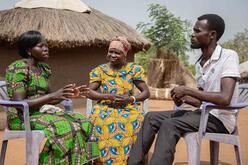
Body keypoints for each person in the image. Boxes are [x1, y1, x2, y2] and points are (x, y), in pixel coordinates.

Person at [127, 14, 240, 165]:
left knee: (170, 124)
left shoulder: (228, 56)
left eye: (197, 31)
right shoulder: (201, 62)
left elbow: (225, 98)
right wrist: (182, 98)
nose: (192, 35)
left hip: (220, 119)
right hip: (201, 114)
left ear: (212, 35)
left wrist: (188, 90)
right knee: (150, 117)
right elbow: (198, 101)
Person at [5, 30, 97, 165]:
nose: (46, 48)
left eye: (46, 45)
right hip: (22, 117)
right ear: (29, 50)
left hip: (42, 113)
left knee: (84, 122)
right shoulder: (18, 68)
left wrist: (67, 94)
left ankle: (84, 162)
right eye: (40, 46)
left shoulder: (44, 69)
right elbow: (20, 103)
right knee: (65, 127)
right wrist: (53, 95)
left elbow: (51, 98)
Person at [87, 36, 150, 164]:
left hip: (129, 108)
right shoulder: (100, 70)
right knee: (99, 120)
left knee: (134, 121)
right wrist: (108, 97)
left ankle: (130, 160)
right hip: (105, 107)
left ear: (125, 54)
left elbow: (146, 92)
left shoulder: (133, 69)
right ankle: (101, 161)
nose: (113, 55)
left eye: (117, 52)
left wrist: (130, 99)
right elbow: (89, 92)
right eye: (111, 51)